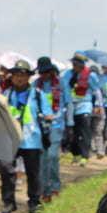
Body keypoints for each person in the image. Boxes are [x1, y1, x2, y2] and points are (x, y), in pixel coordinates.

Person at [0, 59, 48, 213]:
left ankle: (34, 202)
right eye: (16, 75)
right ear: (11, 77)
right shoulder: (5, 95)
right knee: (6, 169)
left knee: (33, 172)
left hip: (31, 139)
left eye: (23, 75)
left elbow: (47, 113)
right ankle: (8, 202)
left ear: (28, 77)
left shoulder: (38, 95)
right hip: (10, 138)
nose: (19, 78)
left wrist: (49, 119)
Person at [34, 57, 65, 202]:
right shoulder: (35, 85)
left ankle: (55, 187)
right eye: (42, 72)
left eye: (47, 71)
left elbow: (68, 103)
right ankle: (45, 190)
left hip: (56, 125)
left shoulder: (60, 84)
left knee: (53, 156)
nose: (45, 74)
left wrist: (69, 122)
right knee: (43, 159)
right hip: (40, 127)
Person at [61, 53, 101, 164]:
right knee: (72, 132)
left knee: (84, 131)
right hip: (70, 107)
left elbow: (96, 90)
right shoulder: (67, 75)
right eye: (73, 63)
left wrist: (98, 105)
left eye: (77, 63)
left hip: (84, 106)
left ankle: (85, 156)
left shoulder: (90, 75)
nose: (75, 65)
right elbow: (63, 88)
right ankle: (76, 154)